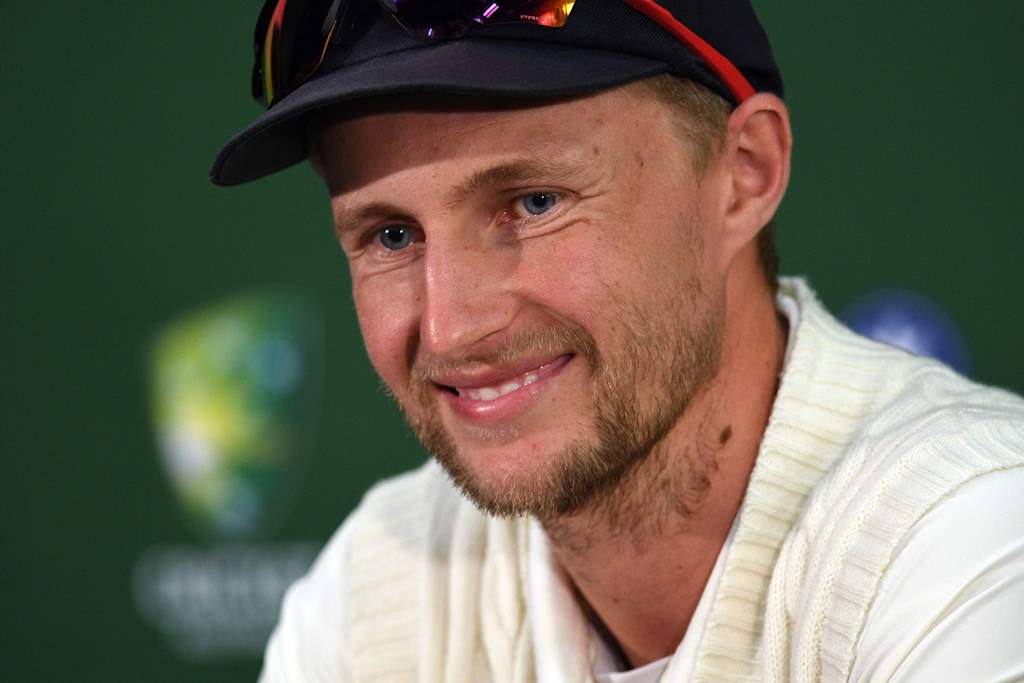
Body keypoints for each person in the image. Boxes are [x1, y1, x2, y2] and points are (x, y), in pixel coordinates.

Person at [211, 0, 1024, 680]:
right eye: (391, 236)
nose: (454, 325)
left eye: (533, 202)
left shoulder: (972, 535)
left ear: (744, 172)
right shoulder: (382, 588)